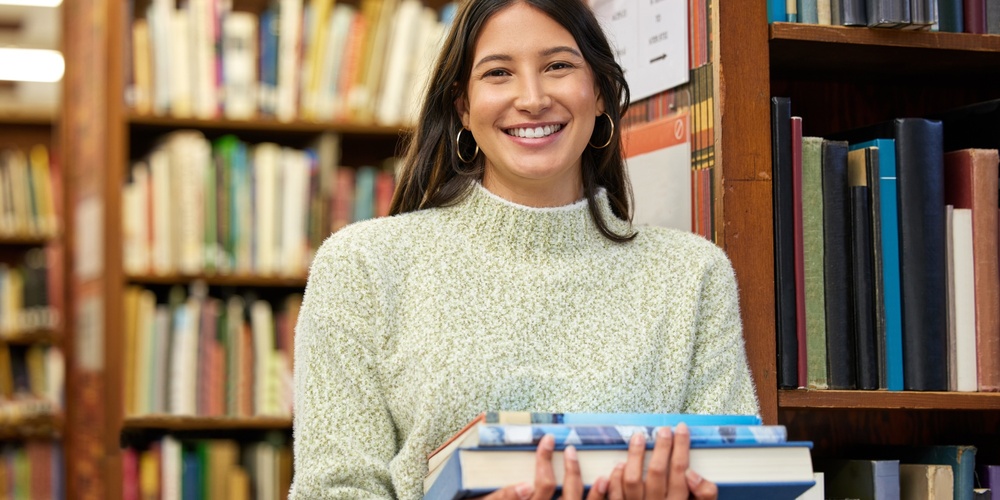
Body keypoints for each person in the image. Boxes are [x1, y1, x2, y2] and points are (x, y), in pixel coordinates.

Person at [290, 0, 759, 497]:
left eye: (558, 66)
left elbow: (737, 480)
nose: (532, 98)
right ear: (462, 107)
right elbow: (334, 489)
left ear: (599, 92)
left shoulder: (694, 274)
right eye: (498, 73)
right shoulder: (361, 266)